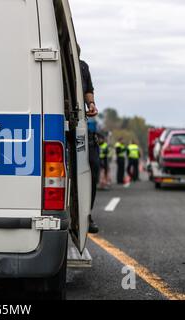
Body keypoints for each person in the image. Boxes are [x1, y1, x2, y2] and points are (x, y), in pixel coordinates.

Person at [79, 47, 99, 234]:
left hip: (82, 127)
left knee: (93, 167)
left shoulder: (83, 67)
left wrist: (91, 104)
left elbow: (89, 90)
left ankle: (87, 214)